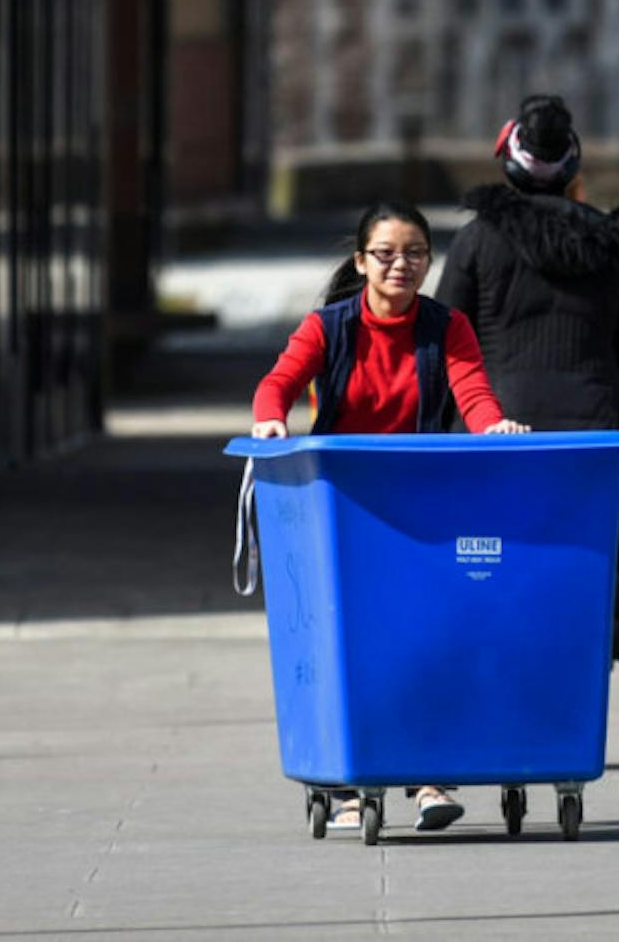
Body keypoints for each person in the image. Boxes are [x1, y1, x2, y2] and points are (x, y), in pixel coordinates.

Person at [251, 199, 527, 830]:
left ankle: (431, 779)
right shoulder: (329, 327)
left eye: (415, 254)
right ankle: (351, 784)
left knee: (430, 638)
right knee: (353, 643)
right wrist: (271, 419)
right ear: (361, 261)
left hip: (421, 504)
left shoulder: (445, 325)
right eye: (386, 254)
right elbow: (279, 382)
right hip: (343, 506)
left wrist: (494, 428)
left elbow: (473, 392)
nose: (401, 265)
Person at [435, 94, 619, 667]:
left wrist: (437, 433)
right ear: (573, 165)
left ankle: (508, 708)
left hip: (497, 430)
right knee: (592, 564)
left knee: (499, 565)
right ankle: (580, 705)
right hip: (599, 433)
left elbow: (443, 343)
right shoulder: (613, 244)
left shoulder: (477, 240)